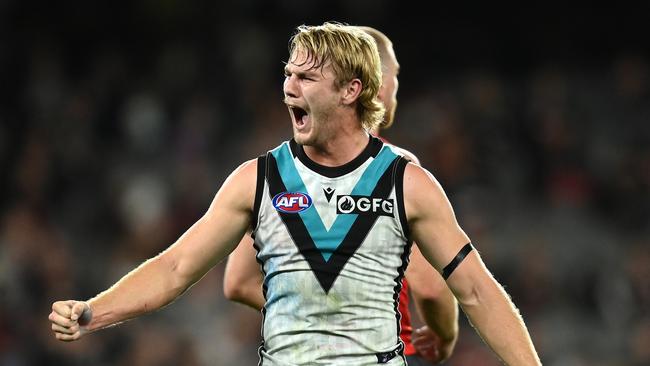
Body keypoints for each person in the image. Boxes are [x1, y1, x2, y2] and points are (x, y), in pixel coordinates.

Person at [49, 22, 542, 365]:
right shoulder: (256, 180)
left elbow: (475, 289)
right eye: (288, 73)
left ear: (350, 91)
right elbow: (176, 268)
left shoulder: (406, 183)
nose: (288, 87)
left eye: (306, 77)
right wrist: (93, 312)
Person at [222, 25, 459, 365]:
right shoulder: (397, 170)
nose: (396, 88)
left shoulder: (282, 172)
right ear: (371, 84)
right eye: (395, 74)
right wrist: (445, 335)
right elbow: (432, 288)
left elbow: (237, 281)